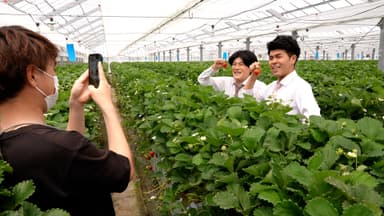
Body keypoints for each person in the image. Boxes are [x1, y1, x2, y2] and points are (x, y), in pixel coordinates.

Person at [0, 25, 134, 216]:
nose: (55, 77)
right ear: (32, 76)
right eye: (52, 69)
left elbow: (67, 160)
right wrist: (108, 107)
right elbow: (124, 171)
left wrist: (76, 105)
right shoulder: (58, 147)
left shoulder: (12, 141)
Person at [261, 35, 321, 118]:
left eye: (278, 57)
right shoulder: (270, 87)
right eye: (271, 58)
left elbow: (313, 119)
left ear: (293, 59)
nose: (273, 61)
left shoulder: (301, 87)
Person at [197, 50, 266, 100]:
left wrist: (253, 77)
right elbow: (202, 80)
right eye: (234, 64)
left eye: (241, 64)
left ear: (251, 67)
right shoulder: (225, 81)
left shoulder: (260, 87)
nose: (236, 68)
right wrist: (214, 67)